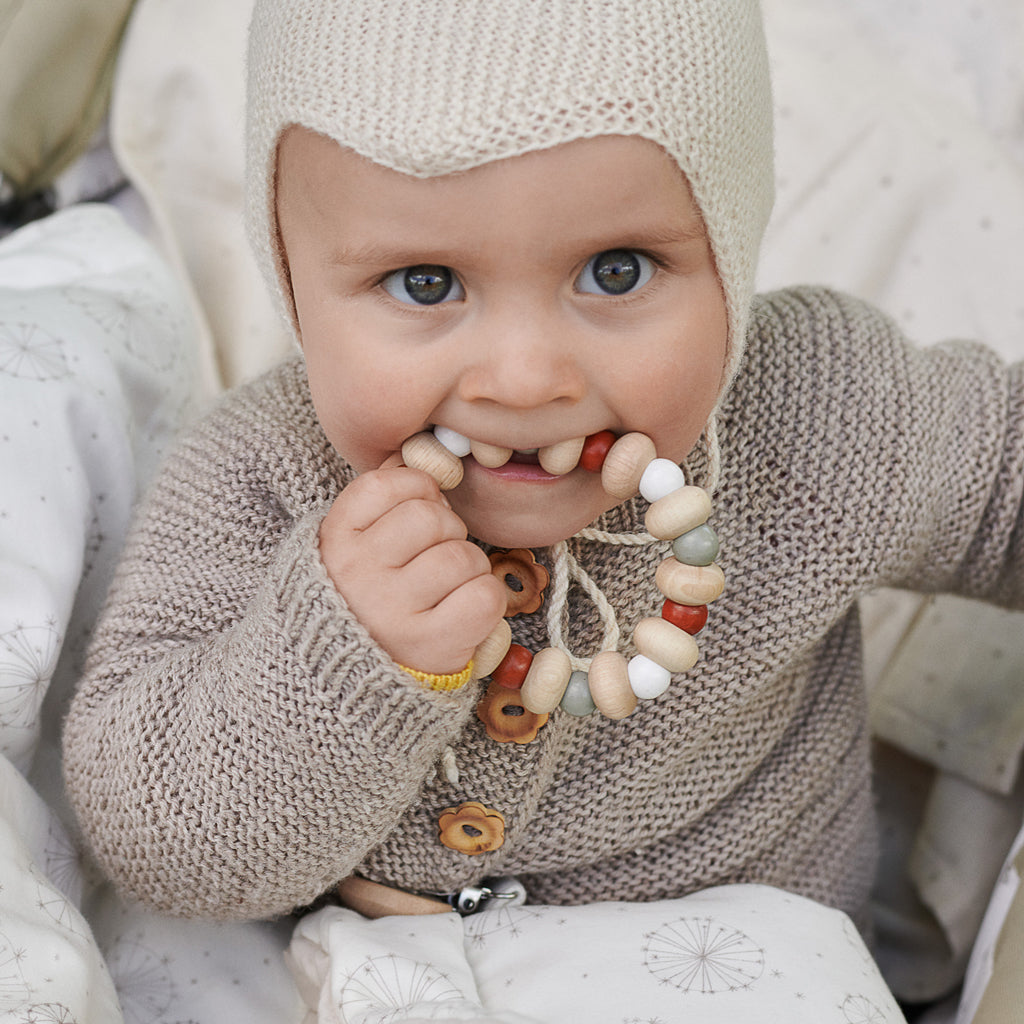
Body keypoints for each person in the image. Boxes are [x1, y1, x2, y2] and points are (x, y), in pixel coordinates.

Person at [63, 0, 1023, 952]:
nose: (525, 380)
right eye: (425, 283)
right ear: (297, 289)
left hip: (742, 968)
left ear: (730, 254)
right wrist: (339, 651)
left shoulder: (823, 410)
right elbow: (155, 847)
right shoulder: (257, 475)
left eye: (615, 272)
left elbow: (1005, 479)